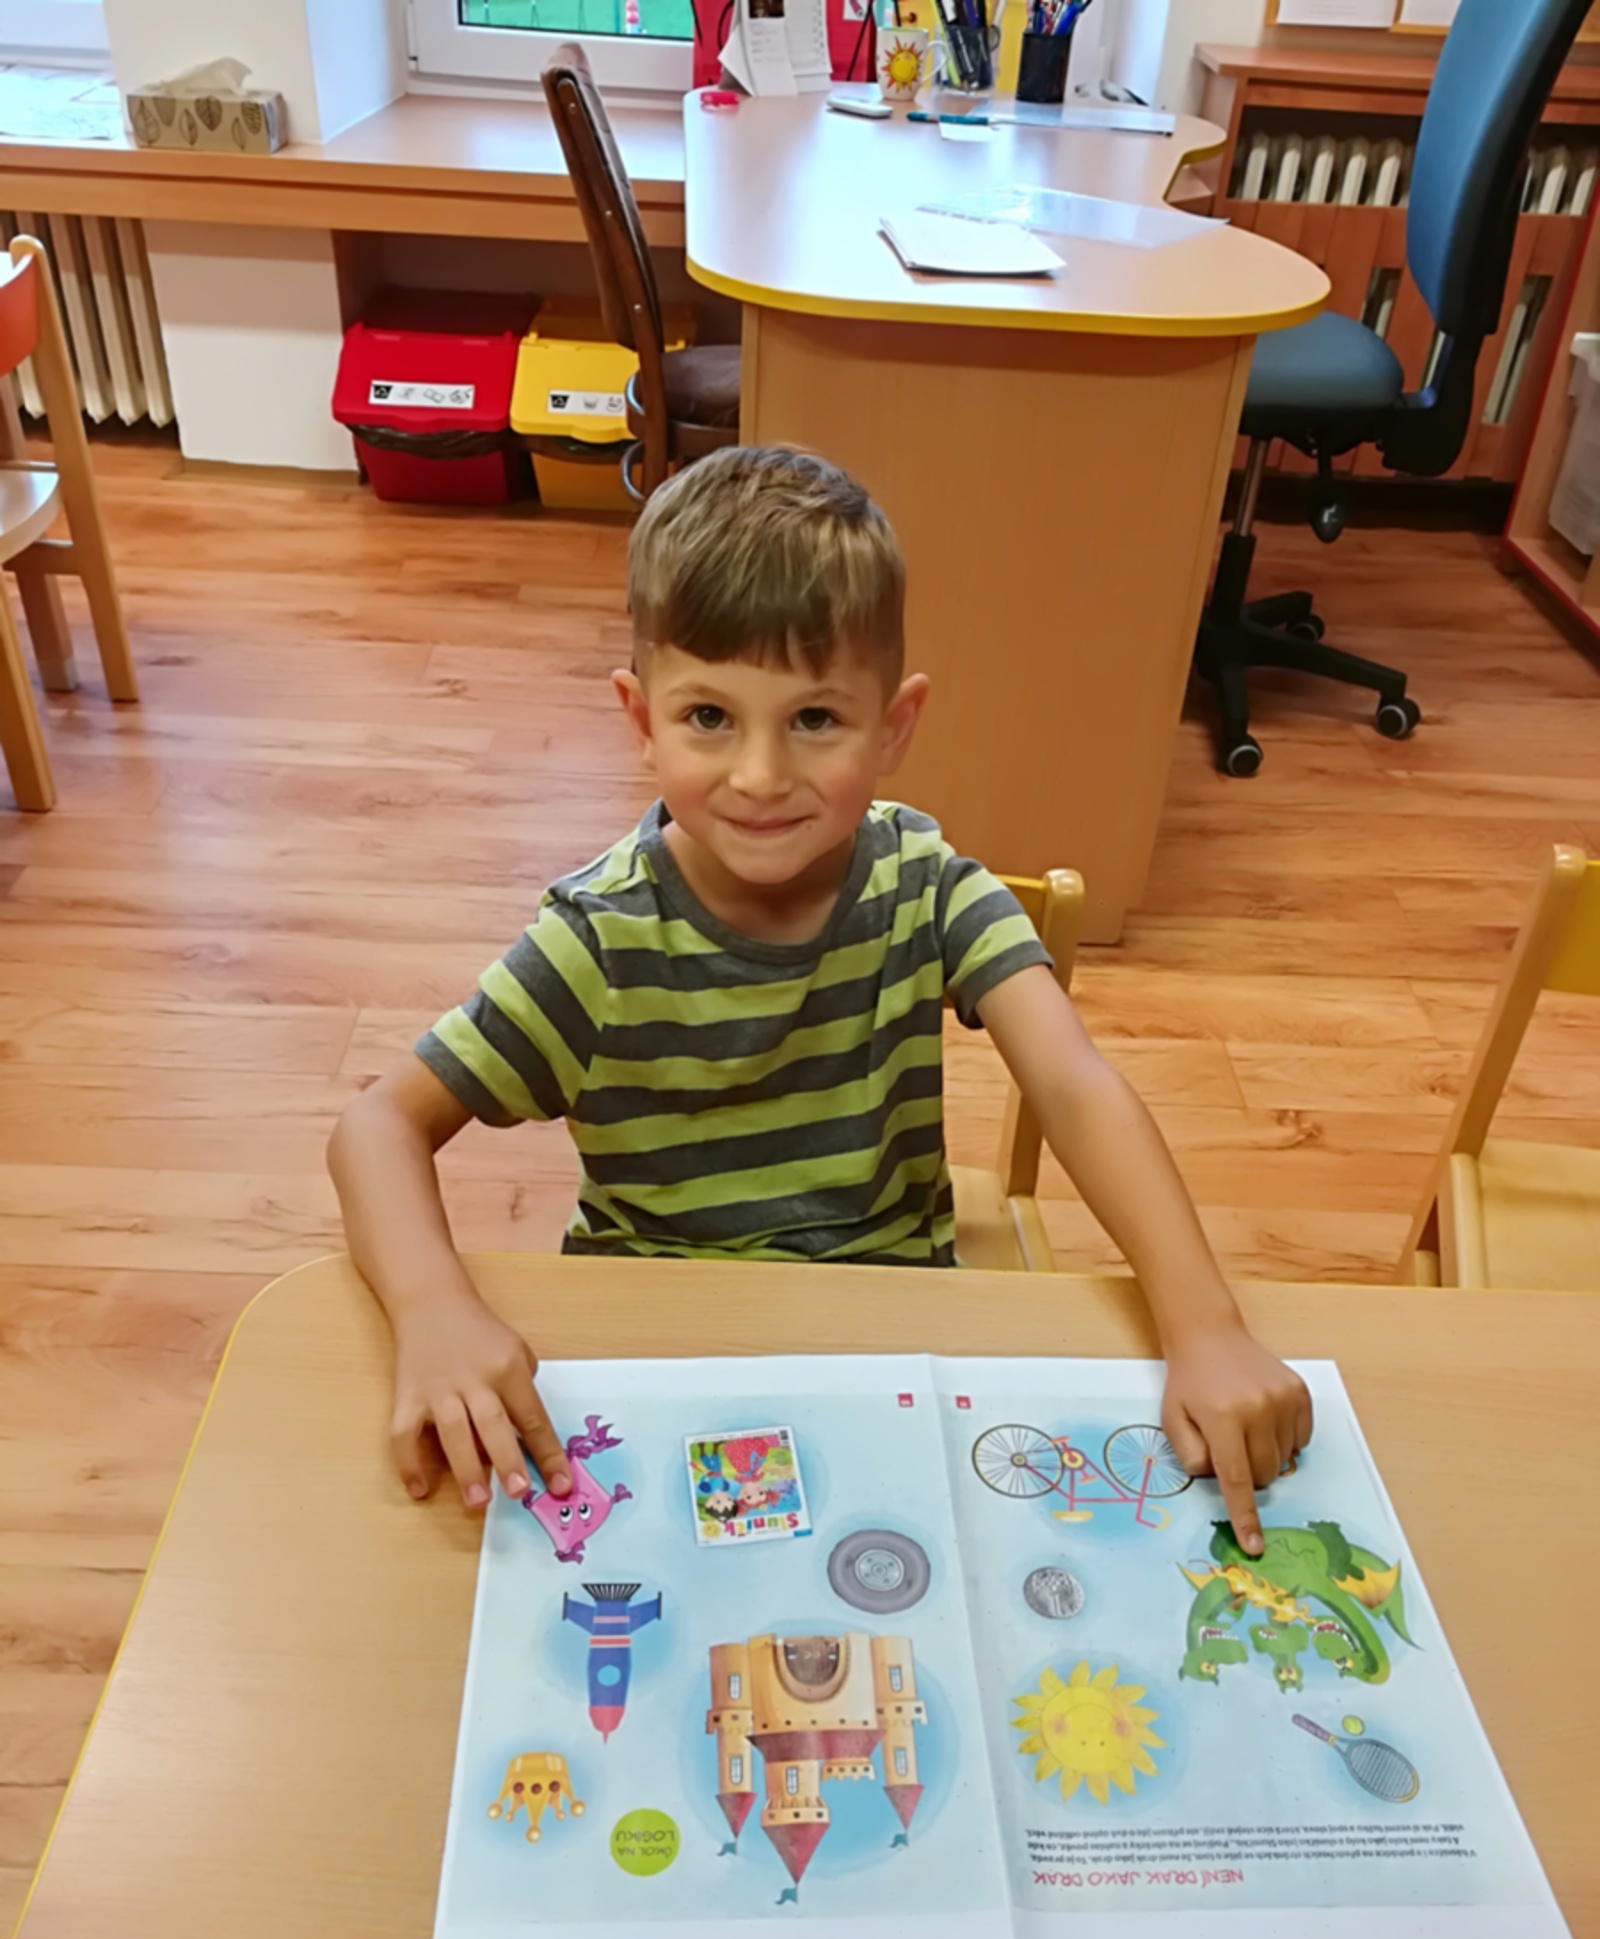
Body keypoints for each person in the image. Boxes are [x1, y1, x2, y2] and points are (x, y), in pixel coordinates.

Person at [328, 447, 1310, 1555]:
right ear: (640, 717)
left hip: (886, 1326)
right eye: (709, 715)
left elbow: (1076, 1086)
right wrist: (433, 1310)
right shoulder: (598, 940)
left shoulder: (927, 888)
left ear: (893, 725)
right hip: (655, 1340)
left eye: (814, 720)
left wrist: (1205, 1322)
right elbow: (376, 1127)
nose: (759, 775)